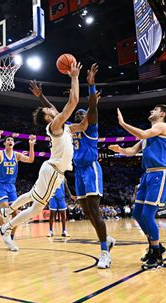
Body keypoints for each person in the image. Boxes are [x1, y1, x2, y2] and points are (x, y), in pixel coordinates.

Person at [0, 63, 86, 257]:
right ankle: (6, 226)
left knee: (32, 199)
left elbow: (82, 125)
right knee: (37, 207)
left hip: (54, 172)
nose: (53, 108)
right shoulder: (55, 124)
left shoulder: (63, 125)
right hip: (53, 170)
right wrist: (75, 77)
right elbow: (74, 100)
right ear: (47, 118)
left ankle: (8, 214)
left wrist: (93, 105)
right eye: (50, 110)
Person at [29, 63, 115, 268]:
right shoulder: (68, 128)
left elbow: (91, 110)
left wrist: (91, 88)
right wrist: (41, 97)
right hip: (78, 172)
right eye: (76, 114)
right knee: (86, 211)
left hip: (91, 168)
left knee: (95, 210)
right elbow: (57, 113)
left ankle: (104, 251)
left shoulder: (90, 126)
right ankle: (108, 239)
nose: (77, 115)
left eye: (80, 114)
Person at [109, 104, 166, 270]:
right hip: (148, 175)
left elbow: (143, 133)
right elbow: (131, 151)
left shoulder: (162, 126)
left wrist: (123, 124)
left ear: (162, 113)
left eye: (155, 109)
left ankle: (157, 255)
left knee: (147, 214)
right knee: (138, 213)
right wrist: (120, 150)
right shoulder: (147, 137)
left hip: (161, 174)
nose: (151, 111)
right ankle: (156, 246)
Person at [0, 130, 36, 253]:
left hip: (11, 187)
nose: (10, 141)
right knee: (5, 212)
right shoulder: (0, 153)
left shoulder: (16, 155)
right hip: (0, 185)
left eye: (12, 140)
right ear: (5, 144)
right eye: (8, 140)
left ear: (14, 144)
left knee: (16, 214)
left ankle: (9, 239)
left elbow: (31, 160)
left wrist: (31, 145)